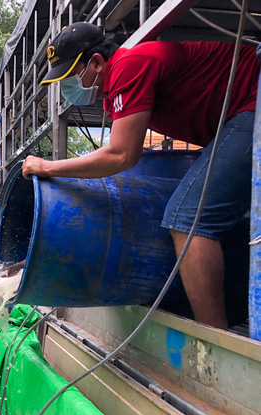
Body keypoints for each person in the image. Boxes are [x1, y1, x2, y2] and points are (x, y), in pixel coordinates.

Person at [21, 22, 260, 329]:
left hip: (253, 103)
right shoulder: (117, 87)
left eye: (71, 76)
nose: (67, 87)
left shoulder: (128, 65)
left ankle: (215, 339)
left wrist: (48, 167)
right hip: (239, 114)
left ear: (96, 61)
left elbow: (122, 154)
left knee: (188, 219)